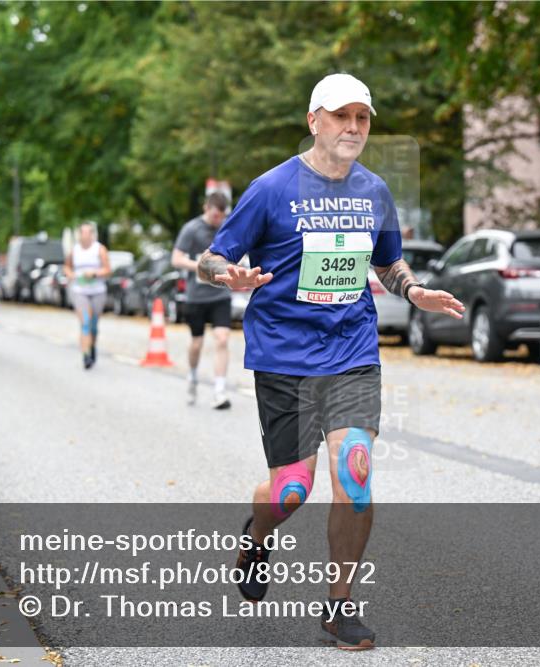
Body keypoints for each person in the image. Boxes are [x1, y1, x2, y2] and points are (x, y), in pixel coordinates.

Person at [198, 73, 464, 650]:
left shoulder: (375, 192)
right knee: (291, 489)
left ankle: (339, 605)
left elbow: (390, 265)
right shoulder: (271, 189)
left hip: (351, 352)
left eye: (362, 118)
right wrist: (229, 273)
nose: (353, 127)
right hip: (283, 355)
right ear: (313, 120)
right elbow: (209, 257)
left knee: (355, 472)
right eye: (341, 116)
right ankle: (257, 535)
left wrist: (415, 292)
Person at [172, 192, 232, 409]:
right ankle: (193, 375)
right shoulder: (191, 229)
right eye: (215, 216)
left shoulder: (227, 227)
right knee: (197, 344)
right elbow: (176, 259)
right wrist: (200, 266)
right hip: (196, 297)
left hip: (220, 295)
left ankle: (219, 390)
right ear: (206, 208)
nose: (218, 221)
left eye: (221, 217)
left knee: (222, 338)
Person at [63, 223, 111, 369]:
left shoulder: (99, 249)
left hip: (97, 291)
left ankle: (93, 346)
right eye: (82, 233)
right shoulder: (75, 250)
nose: (85, 236)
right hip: (80, 291)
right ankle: (86, 355)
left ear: (92, 235)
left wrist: (95, 273)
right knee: (85, 323)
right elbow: (66, 267)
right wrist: (71, 275)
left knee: (94, 326)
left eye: (88, 233)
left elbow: (108, 270)